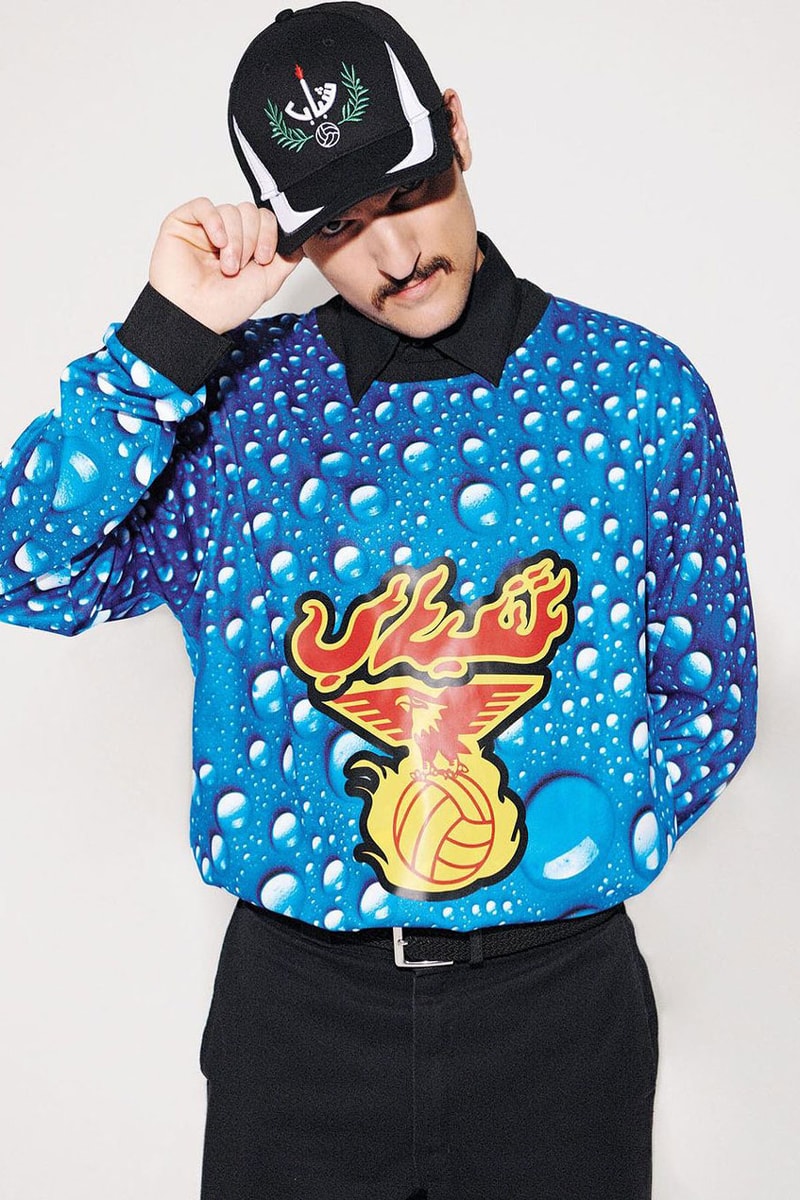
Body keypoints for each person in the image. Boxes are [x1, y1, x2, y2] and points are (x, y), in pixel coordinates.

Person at [0, 3, 758, 1198]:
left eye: (408, 194)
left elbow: (708, 695)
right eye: (340, 228)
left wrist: (562, 849)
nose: (395, 255)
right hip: (298, 1016)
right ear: (291, 237)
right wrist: (164, 341)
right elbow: (29, 570)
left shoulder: (637, 391)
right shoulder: (230, 407)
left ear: (455, 130)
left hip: (558, 1013)